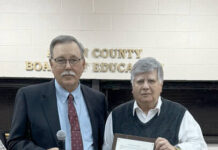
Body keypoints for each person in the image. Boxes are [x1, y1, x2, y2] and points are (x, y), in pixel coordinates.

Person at [7, 35, 107, 150]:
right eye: (61, 60)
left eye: (74, 60)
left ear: (83, 64)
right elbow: (14, 142)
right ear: (51, 64)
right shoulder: (29, 97)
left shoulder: (98, 100)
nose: (68, 66)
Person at [103, 57, 207, 150]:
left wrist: (175, 149)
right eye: (140, 81)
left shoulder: (179, 114)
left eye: (151, 81)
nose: (145, 86)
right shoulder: (116, 116)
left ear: (160, 85)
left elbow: (200, 146)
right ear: (132, 86)